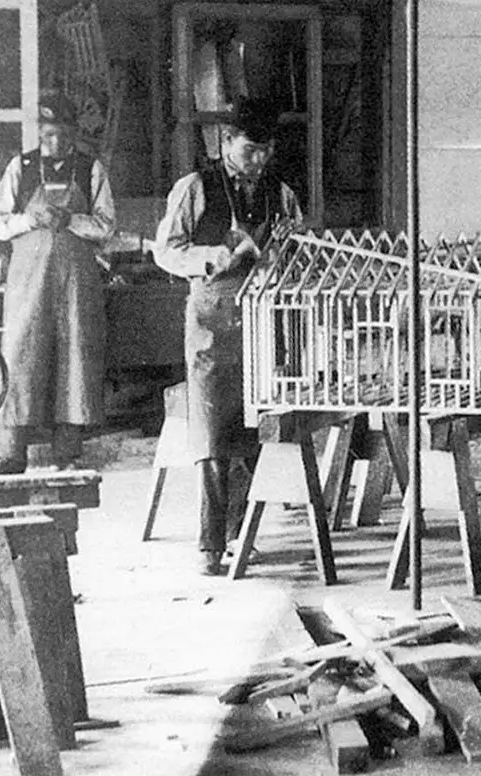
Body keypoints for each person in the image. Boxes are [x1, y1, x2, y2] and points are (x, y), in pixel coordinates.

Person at [154, 98, 304, 575]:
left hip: (262, 319)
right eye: (249, 149)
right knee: (213, 434)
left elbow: (297, 245)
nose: (258, 159)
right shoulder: (195, 187)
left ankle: (241, 536)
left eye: (265, 151)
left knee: (252, 430)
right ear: (226, 143)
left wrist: (277, 257)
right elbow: (166, 250)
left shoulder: (279, 194)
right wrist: (213, 256)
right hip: (211, 318)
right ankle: (209, 545)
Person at [0, 95, 116, 474]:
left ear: (74, 133)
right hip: (29, 281)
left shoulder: (91, 169)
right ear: (40, 132)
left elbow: (107, 225)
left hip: (76, 281)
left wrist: (72, 220)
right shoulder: (21, 167)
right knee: (20, 355)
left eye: (63, 134)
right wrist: (29, 218)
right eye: (49, 134)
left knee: (73, 357)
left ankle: (67, 452)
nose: (56, 142)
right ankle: (10, 453)